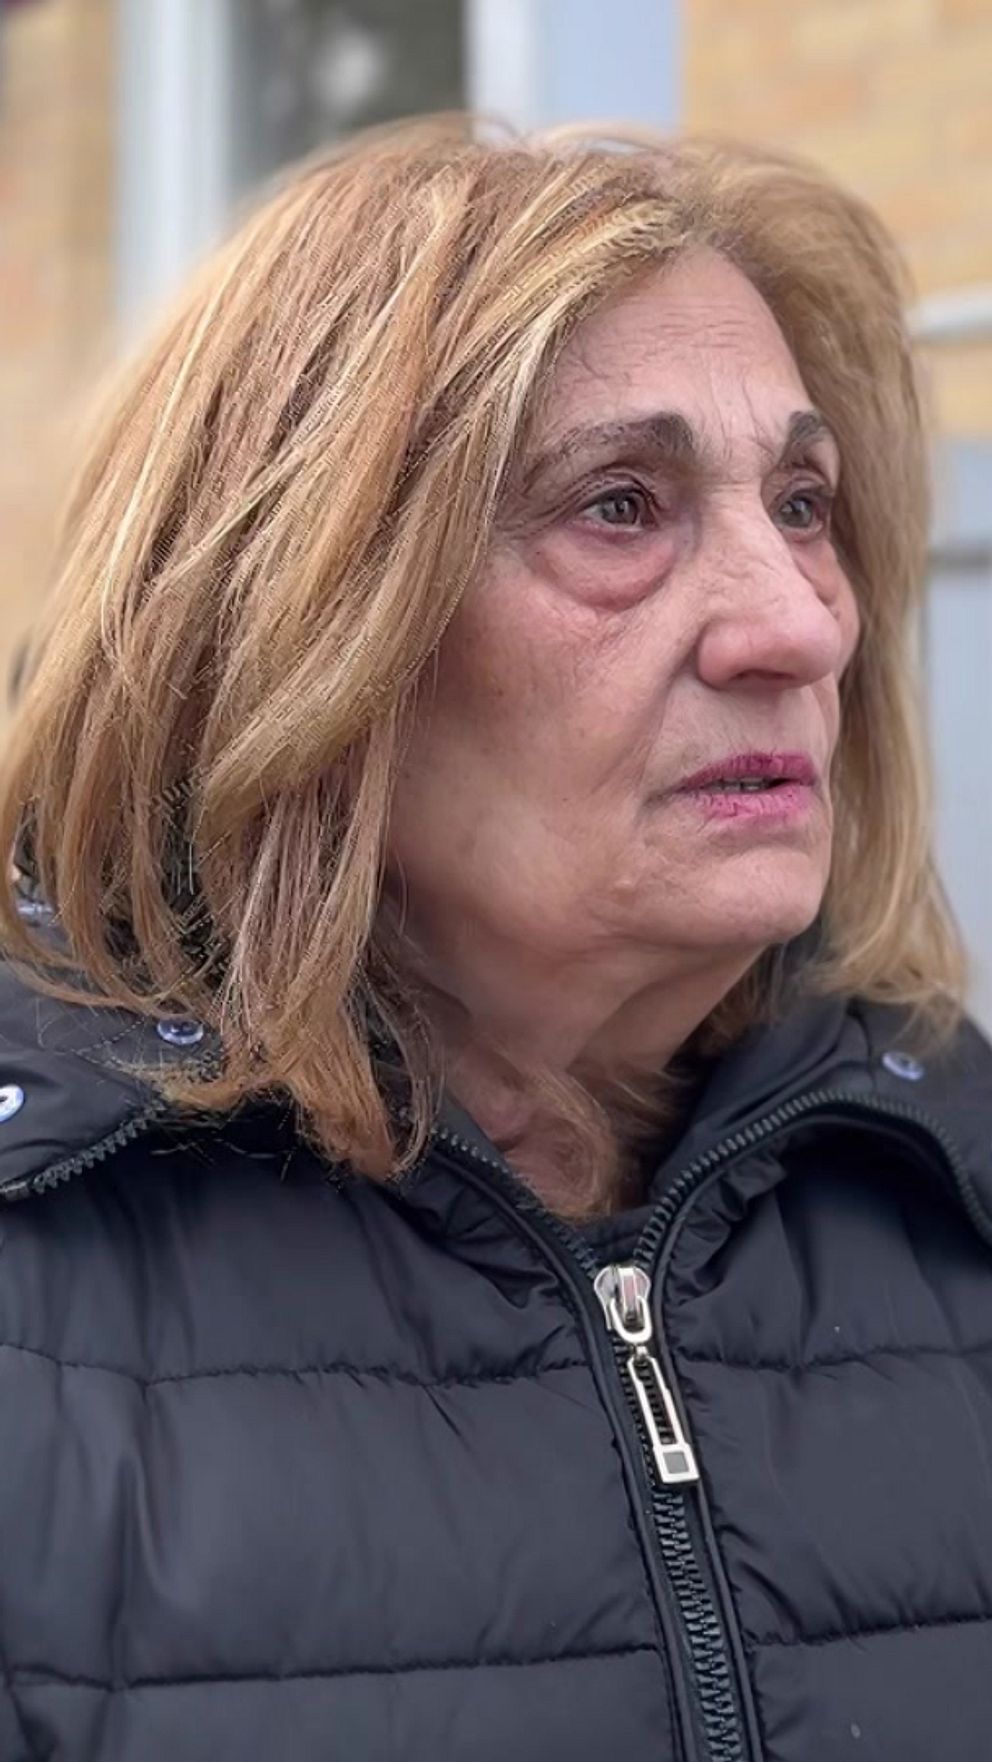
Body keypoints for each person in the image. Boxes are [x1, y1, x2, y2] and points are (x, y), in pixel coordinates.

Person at [0, 115, 988, 1762]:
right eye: (621, 505)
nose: (797, 622)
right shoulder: (46, 1298)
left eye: (804, 502)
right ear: (307, 621)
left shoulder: (949, 1200)